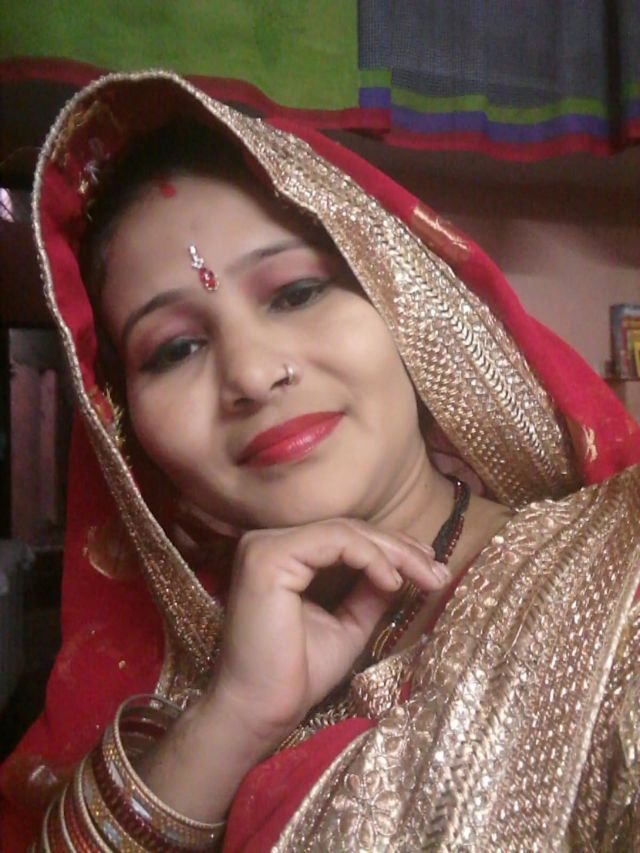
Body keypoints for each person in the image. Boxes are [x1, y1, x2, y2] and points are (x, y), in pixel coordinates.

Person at [1, 70, 639, 851]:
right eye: (175, 348)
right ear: (128, 437)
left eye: (297, 292)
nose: (251, 373)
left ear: (407, 306)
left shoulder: (618, 575)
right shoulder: (164, 705)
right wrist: (231, 717)